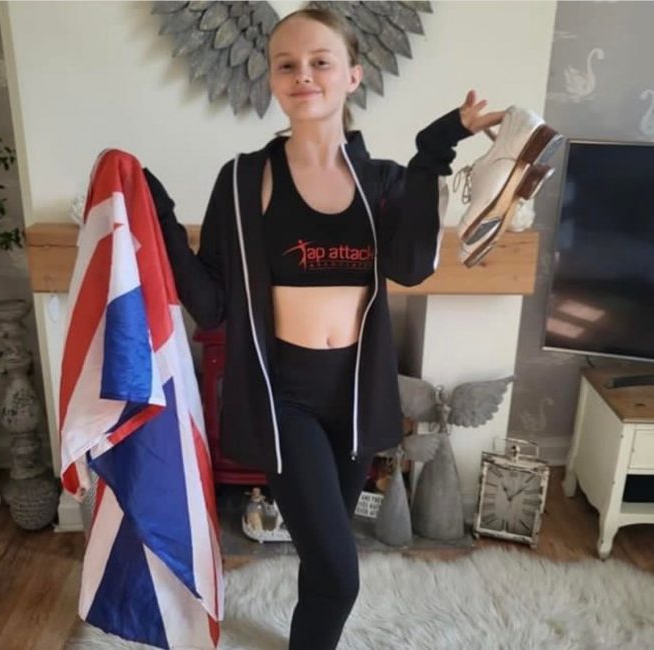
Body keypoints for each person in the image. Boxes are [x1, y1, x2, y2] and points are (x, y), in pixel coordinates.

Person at [143, 7, 505, 649]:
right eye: (287, 64)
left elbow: (412, 265)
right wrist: (161, 214)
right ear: (272, 79)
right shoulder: (243, 180)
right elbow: (214, 304)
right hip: (285, 398)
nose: (303, 75)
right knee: (340, 575)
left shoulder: (383, 182)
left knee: (323, 559)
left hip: (356, 397)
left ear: (352, 76)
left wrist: (434, 149)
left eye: (320, 62)